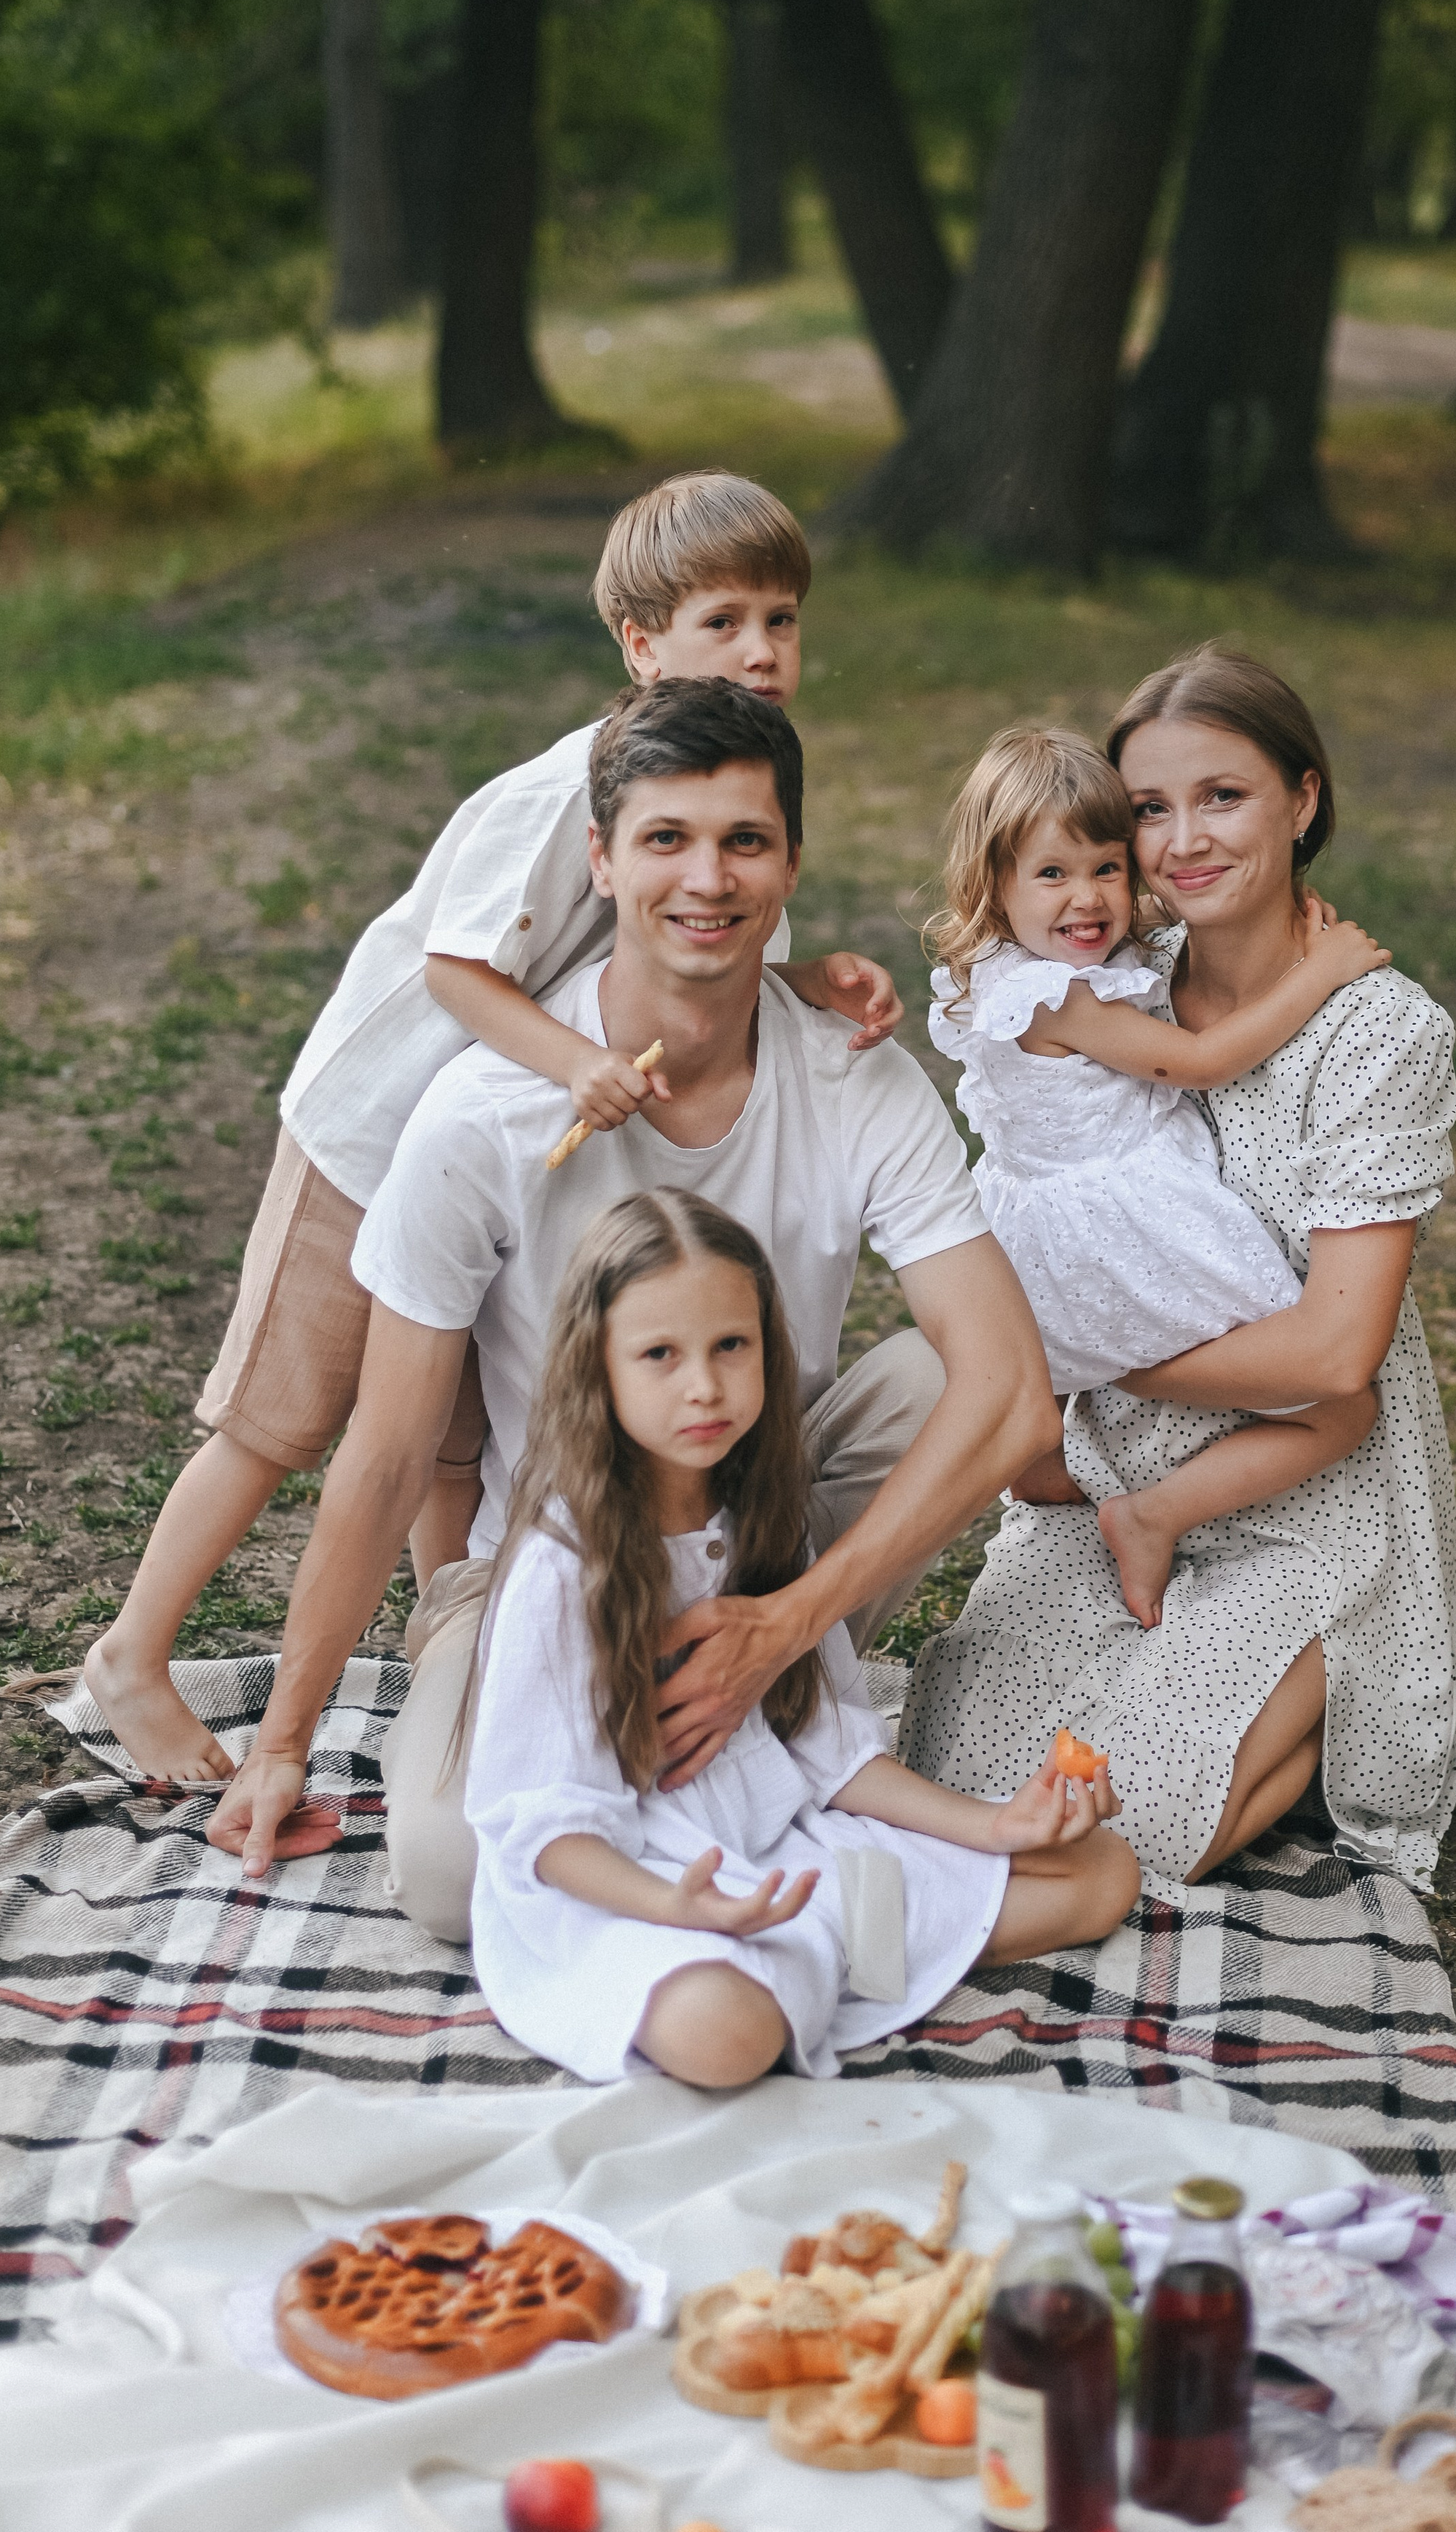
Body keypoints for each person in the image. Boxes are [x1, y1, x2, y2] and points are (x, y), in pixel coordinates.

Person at [82, 471, 902, 1787]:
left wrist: (815, 979)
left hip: (488, 1168)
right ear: (640, 646)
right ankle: (135, 1647)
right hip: (374, 1136)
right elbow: (460, 973)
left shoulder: (724, 794)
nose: (761, 650)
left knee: (457, 1440)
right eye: (723, 620)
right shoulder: (560, 791)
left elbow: (711, 949)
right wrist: (577, 1061)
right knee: (284, 1418)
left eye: (784, 620)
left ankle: (449, 1670)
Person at [205, 677, 1060, 1910]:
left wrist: (786, 1616)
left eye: (743, 841)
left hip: (766, 1547)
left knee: (956, 1375)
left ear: (790, 864)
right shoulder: (484, 1115)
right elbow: (388, 1456)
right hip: (545, 1576)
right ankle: (728, 1767)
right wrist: (283, 1742)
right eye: (667, 839)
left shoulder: (855, 1081)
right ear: (601, 861)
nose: (707, 879)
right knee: (452, 1878)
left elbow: (1019, 1400)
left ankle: (768, 1695)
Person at [902, 643, 1456, 1899]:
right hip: (1112, 1467)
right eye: (1148, 811)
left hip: (1305, 1494)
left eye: (1223, 796)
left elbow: (1338, 1359)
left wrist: (1087, 1351)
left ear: (1303, 799)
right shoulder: (1114, 972)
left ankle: (1340, 1684)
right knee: (963, 1773)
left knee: (1122, 1822)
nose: (1181, 843)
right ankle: (1224, 1663)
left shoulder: (1378, 1030)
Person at [468, 1190, 1139, 2086]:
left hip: (787, 1850)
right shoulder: (562, 1565)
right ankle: (827, 1958)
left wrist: (997, 1824)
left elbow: (833, 1757)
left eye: (729, 1346)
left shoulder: (764, 1518)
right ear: (598, 1368)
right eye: (660, 1355)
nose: (702, 1384)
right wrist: (676, 1904)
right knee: (725, 2036)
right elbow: (544, 1829)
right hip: (627, 1882)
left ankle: (830, 1951)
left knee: (1100, 1873)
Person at [926, 723, 1388, 1624]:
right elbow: (1202, 1060)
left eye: (1106, 867)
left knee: (1030, 1436)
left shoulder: (1007, 968)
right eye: (1052, 875)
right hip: (1115, 1241)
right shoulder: (1060, 997)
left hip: (1024, 1240)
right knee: (1342, 1412)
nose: (1088, 898)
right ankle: (1152, 1514)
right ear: (995, 884)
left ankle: (1071, 1498)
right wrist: (1319, 972)